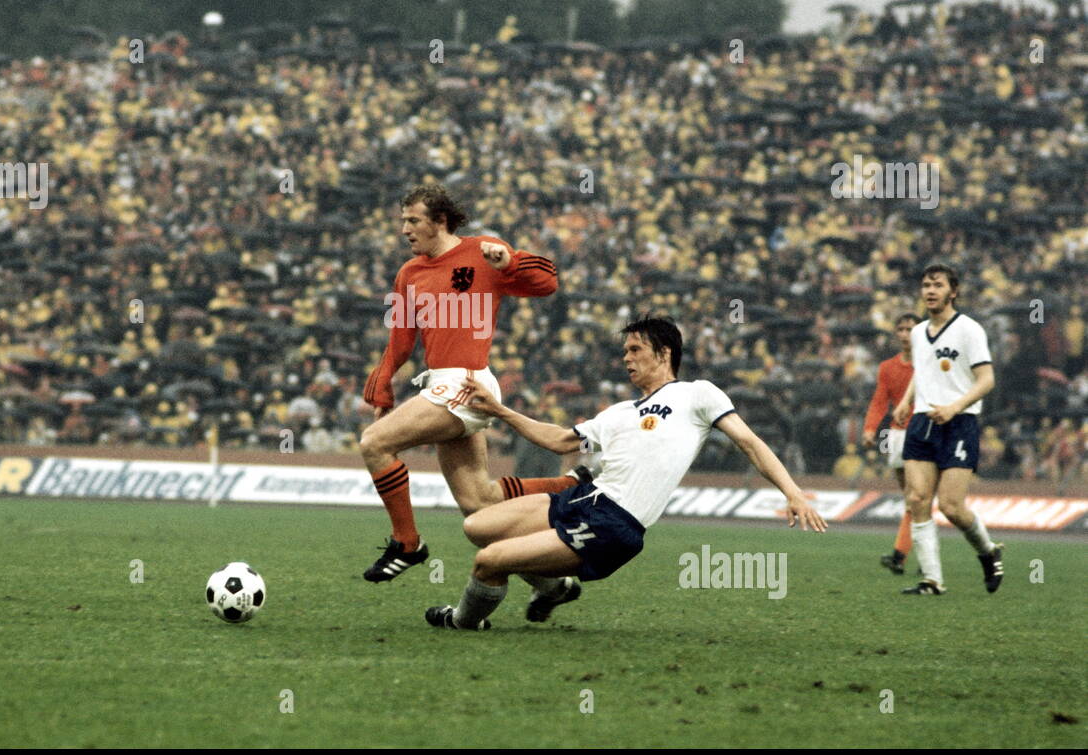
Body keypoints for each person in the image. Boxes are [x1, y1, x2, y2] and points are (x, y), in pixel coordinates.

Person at [422, 314, 827, 630]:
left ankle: (463, 621)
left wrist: (791, 492)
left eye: (635, 349)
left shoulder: (697, 394)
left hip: (614, 524)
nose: (626, 358)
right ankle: (556, 588)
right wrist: (498, 410)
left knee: (489, 561)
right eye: (625, 351)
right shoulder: (620, 412)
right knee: (477, 526)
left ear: (664, 353)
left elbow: (750, 442)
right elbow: (562, 441)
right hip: (582, 499)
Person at [359, 185, 581, 582]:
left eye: (413, 221)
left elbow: (548, 283)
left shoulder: (482, 251)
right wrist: (382, 387)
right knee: (481, 506)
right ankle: (554, 565)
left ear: (439, 221)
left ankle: (407, 544)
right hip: (441, 387)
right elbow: (400, 338)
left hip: (467, 383)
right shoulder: (408, 274)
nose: (405, 229)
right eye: (403, 221)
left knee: (374, 444)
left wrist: (511, 260)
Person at [891, 265, 1002, 596]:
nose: (930, 290)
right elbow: (922, 372)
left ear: (953, 291)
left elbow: (987, 379)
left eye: (937, 285)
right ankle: (932, 580)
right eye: (926, 285)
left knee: (951, 506)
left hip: (959, 423)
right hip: (923, 422)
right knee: (917, 498)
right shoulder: (917, 332)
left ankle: (988, 551)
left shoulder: (969, 330)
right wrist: (907, 400)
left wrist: (955, 406)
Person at [861, 312, 919, 574]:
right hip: (897, 436)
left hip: (924, 433)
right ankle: (914, 556)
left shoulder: (929, 364)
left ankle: (900, 555)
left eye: (910, 329)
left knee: (918, 498)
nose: (905, 334)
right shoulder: (887, 367)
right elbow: (879, 401)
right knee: (913, 499)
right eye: (901, 329)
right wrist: (870, 428)